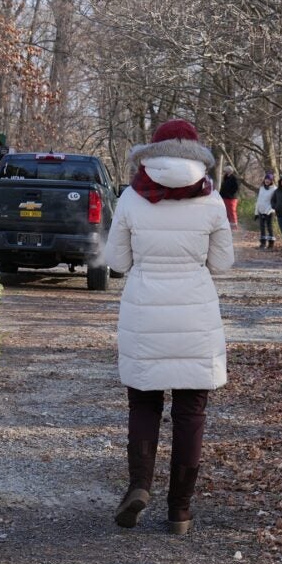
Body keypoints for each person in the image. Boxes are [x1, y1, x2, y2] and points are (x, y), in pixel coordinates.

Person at [105, 119, 234, 535]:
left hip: (145, 311)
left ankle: (140, 485)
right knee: (190, 412)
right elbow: (222, 264)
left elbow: (117, 262)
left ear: (151, 153)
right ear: (196, 156)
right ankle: (179, 510)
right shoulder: (212, 201)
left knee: (144, 404)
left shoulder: (131, 198)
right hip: (195, 313)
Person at [254, 173, 277, 249]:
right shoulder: (261, 188)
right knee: (262, 227)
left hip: (269, 211)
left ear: (271, 181)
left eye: (269, 179)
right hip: (261, 210)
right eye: (266, 179)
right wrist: (256, 212)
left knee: (269, 227)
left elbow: (274, 201)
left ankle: (271, 244)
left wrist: (268, 211)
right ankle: (263, 243)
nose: (267, 181)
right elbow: (259, 200)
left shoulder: (274, 189)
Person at [219, 165, 240, 230]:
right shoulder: (225, 178)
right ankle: (227, 225)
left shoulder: (234, 178)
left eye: (225, 171)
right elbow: (223, 188)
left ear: (229, 171)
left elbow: (236, 188)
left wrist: (230, 194)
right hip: (224, 197)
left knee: (232, 211)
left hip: (231, 198)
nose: (224, 172)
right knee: (226, 211)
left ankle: (234, 226)